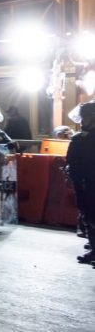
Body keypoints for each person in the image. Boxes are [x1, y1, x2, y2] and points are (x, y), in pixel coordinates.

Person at [65, 101, 95, 264]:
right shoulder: (78, 138)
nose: (82, 122)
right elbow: (71, 159)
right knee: (87, 215)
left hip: (91, 181)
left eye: (85, 119)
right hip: (82, 182)